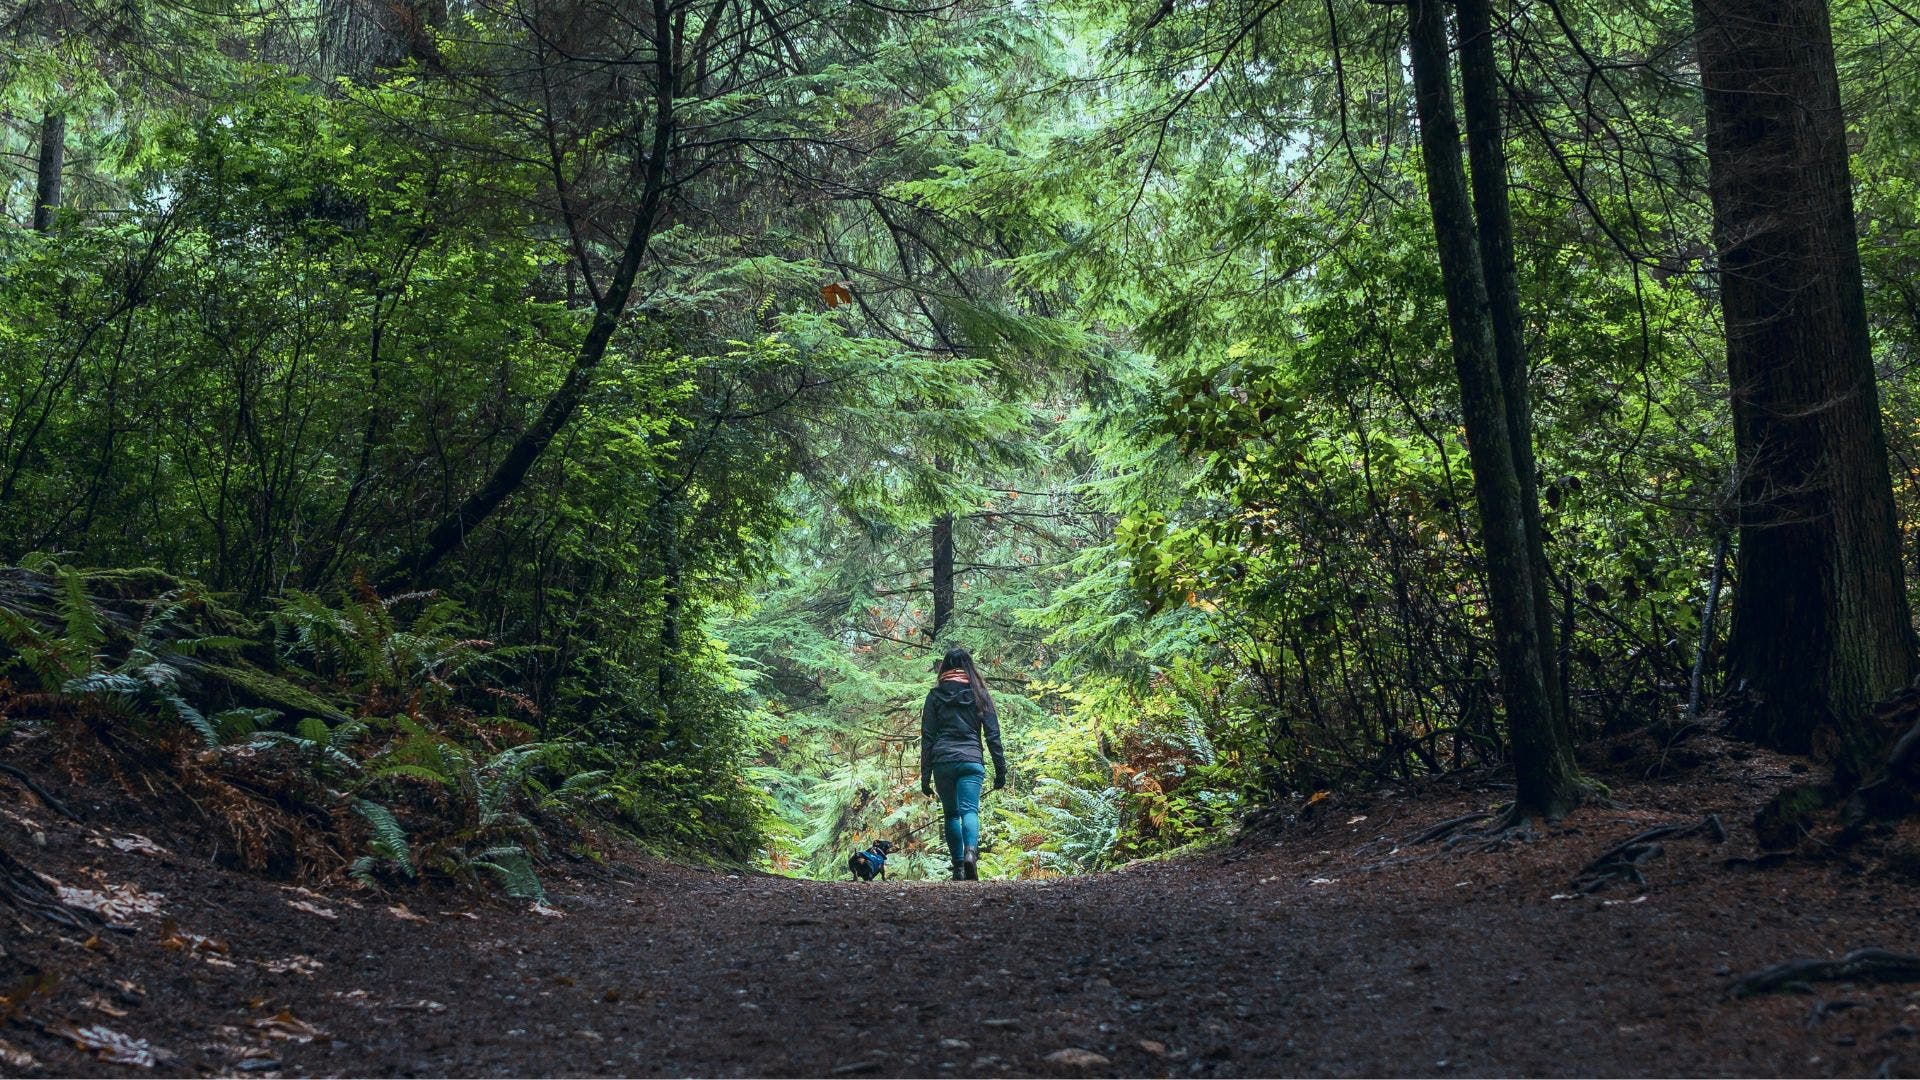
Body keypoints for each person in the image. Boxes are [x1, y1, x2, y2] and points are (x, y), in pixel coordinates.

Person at [920, 646, 1007, 881]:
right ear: (969, 666)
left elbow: (927, 737)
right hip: (971, 759)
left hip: (943, 761)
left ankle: (958, 867)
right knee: (970, 810)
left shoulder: (935, 695)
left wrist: (925, 776)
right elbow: (992, 735)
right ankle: (971, 853)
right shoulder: (979, 694)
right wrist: (1001, 770)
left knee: (951, 814)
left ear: (944, 668)